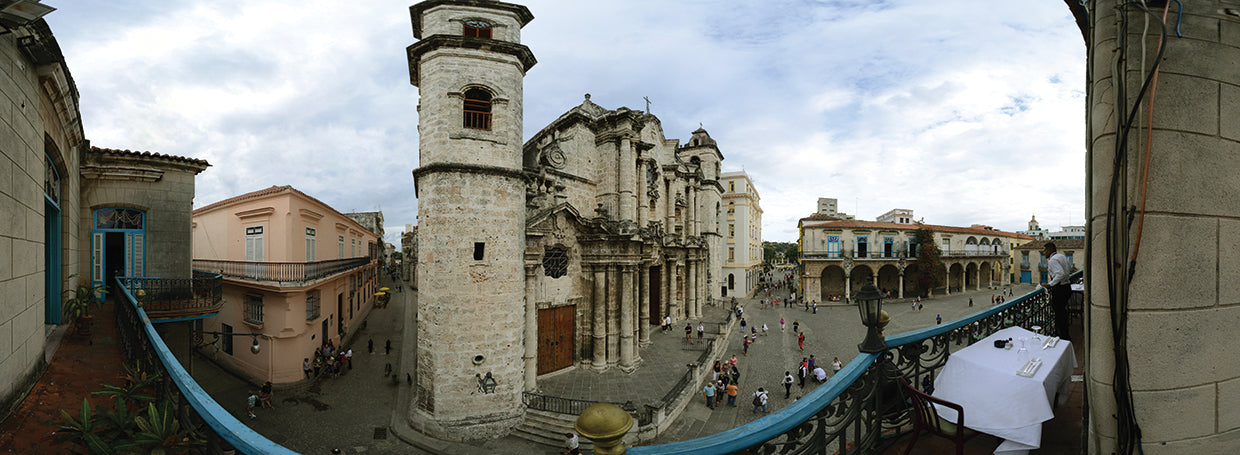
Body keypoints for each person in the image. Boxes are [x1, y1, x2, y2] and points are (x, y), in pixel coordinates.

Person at [1041, 241, 1073, 340]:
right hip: (1067, 287)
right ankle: (1064, 335)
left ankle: (1063, 337)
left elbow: (1060, 273)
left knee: (1059, 315)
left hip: (1060, 290)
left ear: (1050, 250)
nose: (1044, 253)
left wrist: (1050, 284)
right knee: (1062, 313)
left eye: (1045, 250)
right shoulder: (1062, 257)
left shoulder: (1052, 260)